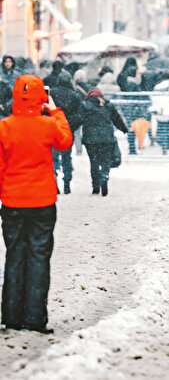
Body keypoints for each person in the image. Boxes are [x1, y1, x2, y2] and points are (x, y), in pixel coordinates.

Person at [0, 74, 73, 333]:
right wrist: (55, 111)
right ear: (42, 96)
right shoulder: (47, 125)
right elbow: (65, 141)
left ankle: (11, 317)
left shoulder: (4, 127)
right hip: (42, 202)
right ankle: (35, 318)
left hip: (12, 202)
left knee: (14, 255)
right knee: (39, 257)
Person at [79, 89, 128, 196]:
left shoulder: (85, 106)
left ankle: (96, 187)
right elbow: (117, 119)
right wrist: (124, 129)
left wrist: (68, 128)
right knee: (106, 160)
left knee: (94, 162)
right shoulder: (108, 105)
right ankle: (104, 175)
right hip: (106, 138)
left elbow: (78, 119)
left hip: (90, 139)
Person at [49, 72, 82, 194]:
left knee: (53, 157)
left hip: (53, 129)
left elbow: (46, 110)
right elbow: (79, 115)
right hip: (68, 130)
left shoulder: (52, 93)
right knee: (67, 157)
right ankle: (67, 181)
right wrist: (71, 126)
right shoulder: (75, 95)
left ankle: (54, 181)